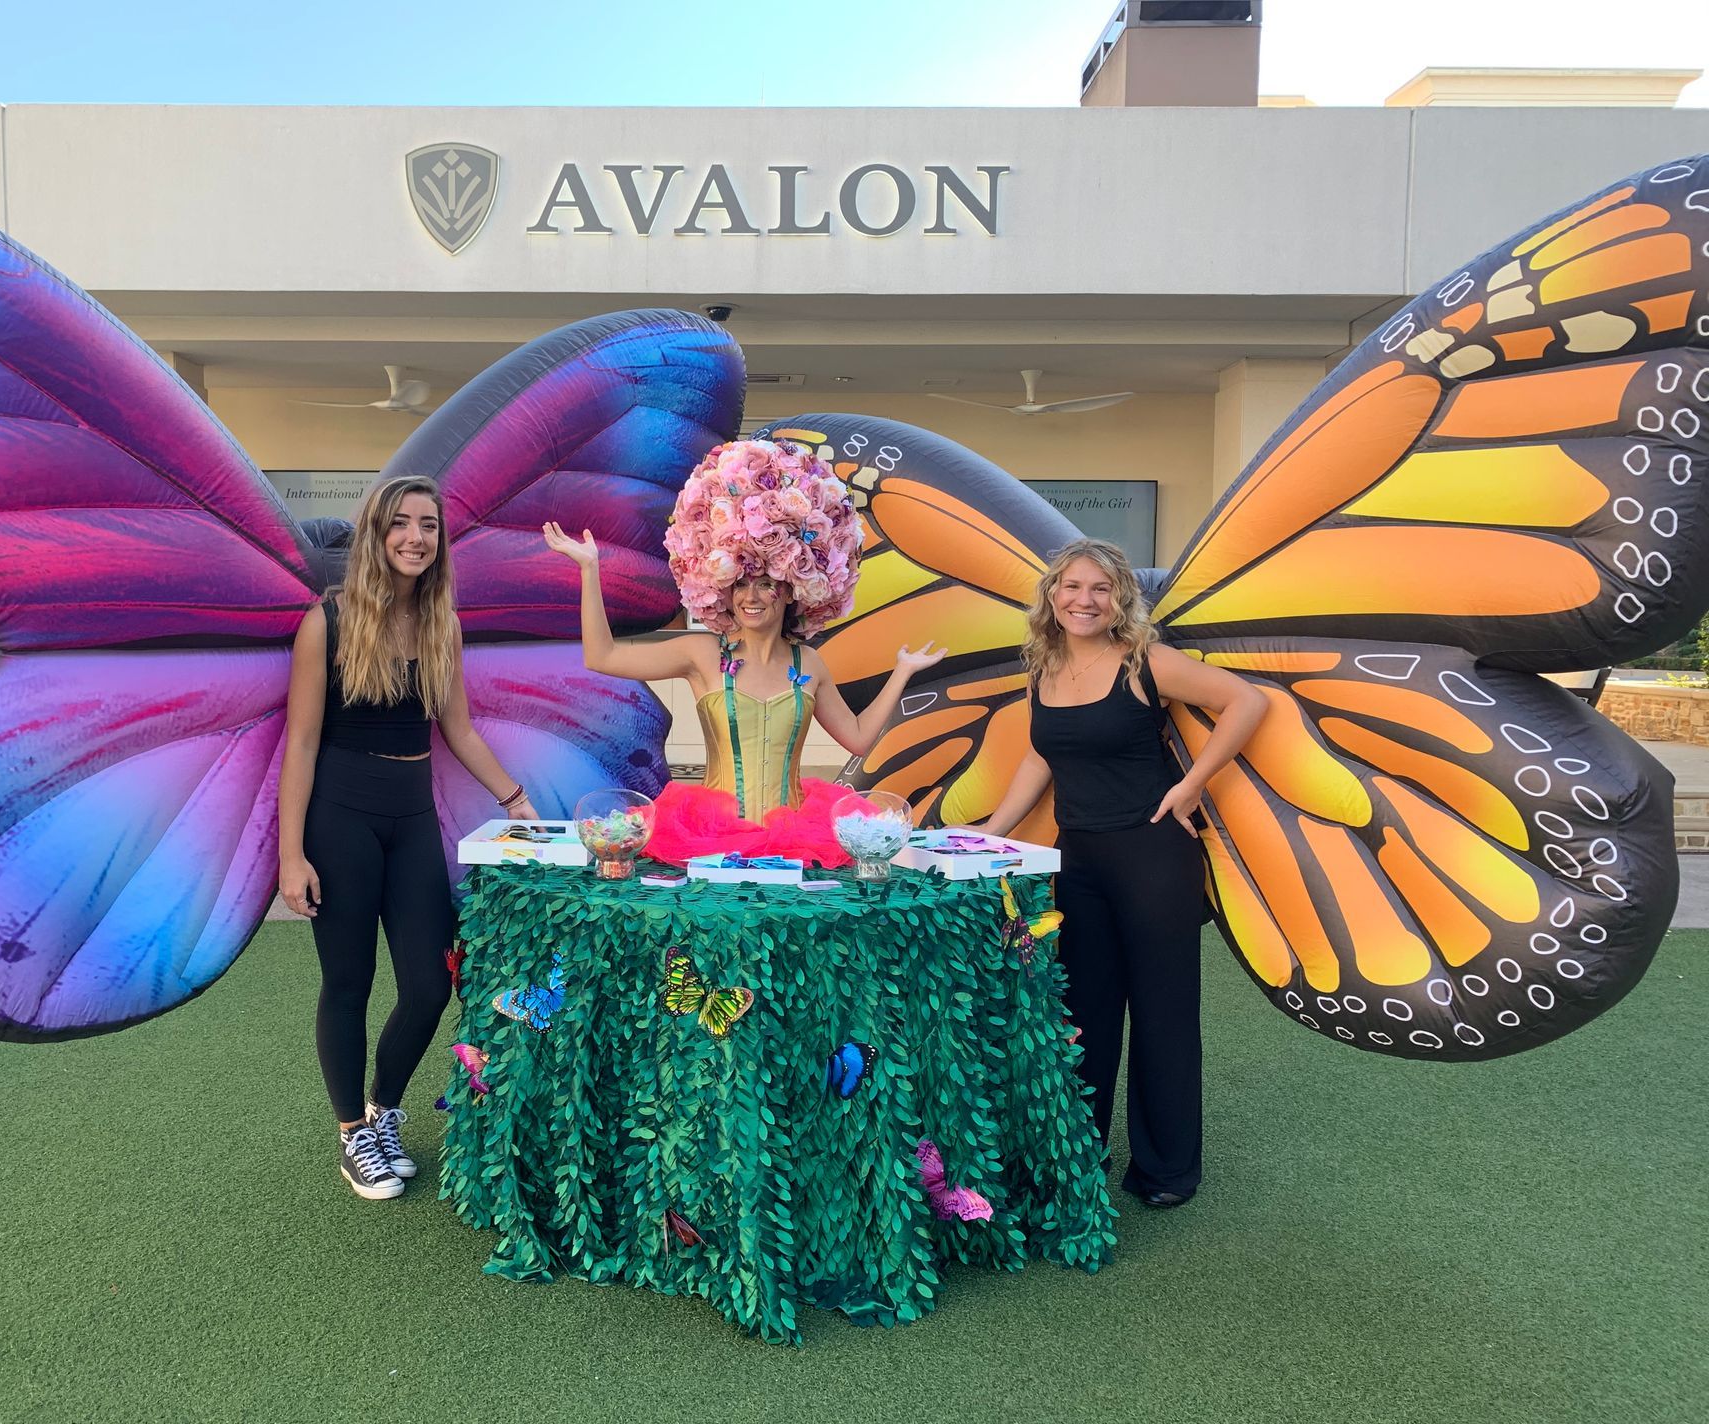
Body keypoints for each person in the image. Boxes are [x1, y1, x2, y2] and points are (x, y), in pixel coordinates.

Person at [278, 474, 538, 1202]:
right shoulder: (324, 622)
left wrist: (516, 798)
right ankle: (350, 1134)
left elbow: (455, 728)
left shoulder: (440, 625)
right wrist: (290, 854)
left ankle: (382, 1109)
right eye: (401, 524)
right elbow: (299, 744)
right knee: (349, 983)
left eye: (428, 525)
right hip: (340, 818)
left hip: (413, 817)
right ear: (375, 534)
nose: (415, 537)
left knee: (430, 982)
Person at [982, 538, 1264, 1210]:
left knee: (1163, 1013)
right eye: (1072, 587)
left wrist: (1193, 784)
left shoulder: (1145, 663)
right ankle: (1078, 1152)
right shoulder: (1042, 668)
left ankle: (1167, 1171)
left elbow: (1246, 702)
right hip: (1080, 861)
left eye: (1100, 589)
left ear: (1120, 601)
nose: (1084, 600)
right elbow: (1040, 759)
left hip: (1153, 854)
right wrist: (989, 832)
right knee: (1086, 1013)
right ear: (1052, 596)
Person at [541, 438, 944, 864]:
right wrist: (590, 570)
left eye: (766, 582)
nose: (751, 596)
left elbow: (859, 739)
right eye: (741, 582)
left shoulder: (808, 663)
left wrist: (902, 671)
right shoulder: (701, 653)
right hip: (709, 833)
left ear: (792, 590)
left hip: (796, 837)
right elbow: (601, 657)